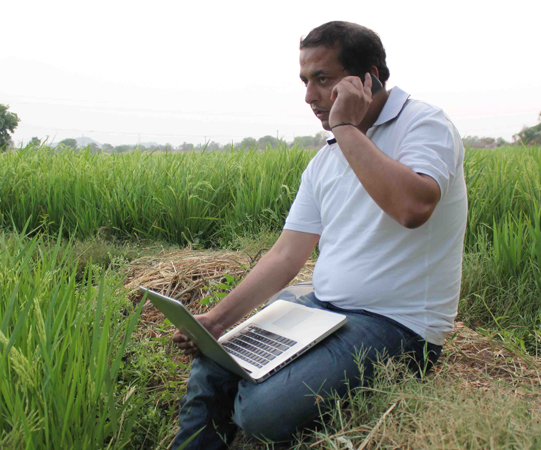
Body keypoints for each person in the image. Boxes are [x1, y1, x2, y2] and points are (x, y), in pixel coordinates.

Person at [170, 21, 467, 449]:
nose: (310, 96)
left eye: (323, 79)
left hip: (398, 325)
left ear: (367, 78)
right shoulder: (325, 160)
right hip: (320, 307)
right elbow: (286, 255)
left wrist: (346, 128)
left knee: (261, 413)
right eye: (305, 81)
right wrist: (216, 322)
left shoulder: (424, 124)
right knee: (212, 362)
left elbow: (413, 209)